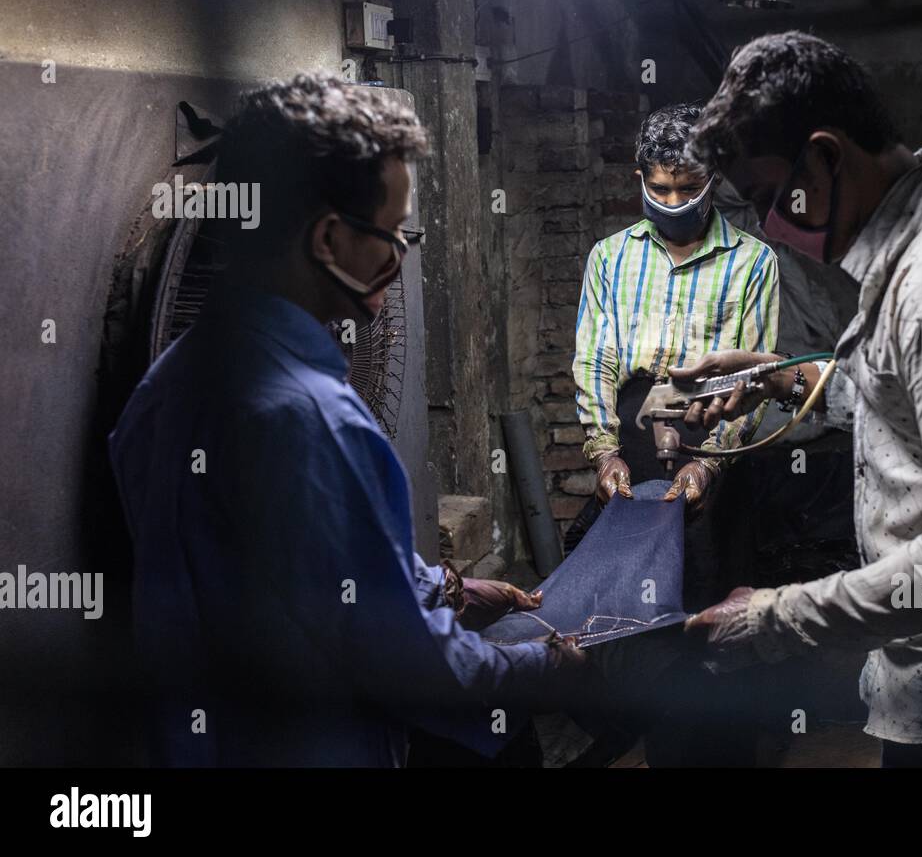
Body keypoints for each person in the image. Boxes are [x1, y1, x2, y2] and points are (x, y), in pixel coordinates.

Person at [109, 73, 583, 767]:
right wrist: (546, 669)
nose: (398, 254)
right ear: (329, 238)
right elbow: (408, 666)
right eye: (389, 233)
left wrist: (442, 589)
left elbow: (290, 567)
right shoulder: (317, 423)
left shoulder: (163, 386)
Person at [673, 31, 922, 767]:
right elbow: (899, 396)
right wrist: (778, 376)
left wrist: (772, 619)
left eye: (768, 198)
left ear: (826, 157)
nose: (769, 225)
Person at [570, 101, 779, 545]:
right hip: (631, 431)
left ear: (714, 179)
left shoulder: (754, 263)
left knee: (702, 564)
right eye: (660, 189)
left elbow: (753, 377)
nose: (674, 202)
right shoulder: (610, 258)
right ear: (641, 179)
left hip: (709, 428)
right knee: (618, 557)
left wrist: (708, 463)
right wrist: (604, 453)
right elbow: (594, 361)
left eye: (689, 189)